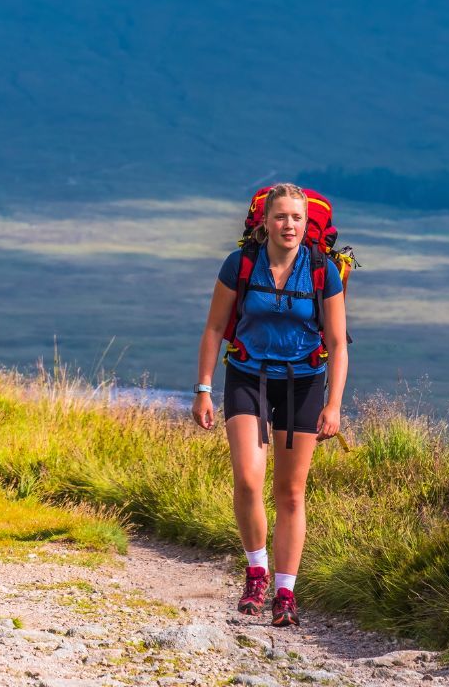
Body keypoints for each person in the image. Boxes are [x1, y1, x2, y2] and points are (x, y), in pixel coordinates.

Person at [192, 183, 347, 627]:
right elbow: (213, 328)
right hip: (248, 376)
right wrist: (203, 388)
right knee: (247, 478)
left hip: (304, 384)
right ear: (264, 222)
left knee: (291, 492)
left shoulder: (322, 270)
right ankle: (256, 571)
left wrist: (333, 405)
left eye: (297, 218)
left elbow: (337, 344)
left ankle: (285, 593)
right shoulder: (240, 264)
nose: (289, 225)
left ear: (306, 223)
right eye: (281, 217)